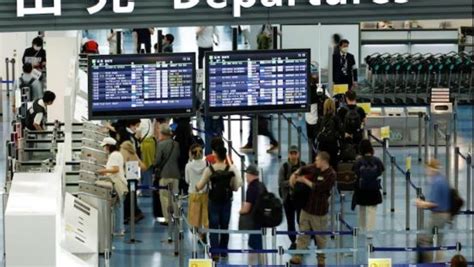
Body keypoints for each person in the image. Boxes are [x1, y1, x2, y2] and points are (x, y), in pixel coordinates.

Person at [289, 152, 336, 266]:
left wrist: (304, 180)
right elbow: (304, 168)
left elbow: (319, 188)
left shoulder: (331, 174)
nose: (315, 162)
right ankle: (298, 256)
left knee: (320, 237)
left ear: (323, 161)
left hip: (319, 212)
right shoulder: (315, 167)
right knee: (303, 234)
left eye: (317, 160)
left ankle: (321, 259)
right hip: (307, 208)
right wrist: (296, 174)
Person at [196, 145, 242, 262]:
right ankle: (224, 250)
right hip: (226, 201)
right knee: (225, 226)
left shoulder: (210, 170)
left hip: (213, 201)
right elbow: (236, 187)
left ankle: (215, 252)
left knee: (213, 226)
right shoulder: (230, 170)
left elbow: (199, 186)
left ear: (215, 155)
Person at [416, 159, 451, 263]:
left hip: (438, 216)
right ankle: (440, 263)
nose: (426, 171)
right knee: (439, 241)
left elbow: (434, 203)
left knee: (425, 240)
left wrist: (421, 203)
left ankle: (427, 263)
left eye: (427, 168)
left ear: (431, 168)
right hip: (445, 214)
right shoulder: (443, 179)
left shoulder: (436, 182)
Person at [352, 140, 384, 237]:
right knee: (372, 210)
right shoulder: (377, 160)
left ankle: (362, 229)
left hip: (361, 189)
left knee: (362, 209)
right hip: (373, 189)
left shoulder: (358, 161)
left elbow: (355, 173)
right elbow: (380, 172)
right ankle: (370, 232)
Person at [97, 137, 128, 236]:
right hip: (118, 182)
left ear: (109, 146)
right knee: (118, 207)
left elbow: (115, 169)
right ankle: (119, 229)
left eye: (105, 146)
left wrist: (102, 171)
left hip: (117, 183)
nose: (104, 148)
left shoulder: (114, 155)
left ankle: (118, 230)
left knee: (118, 207)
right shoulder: (116, 154)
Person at [278, 145, 306, 250]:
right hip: (288, 199)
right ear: (288, 155)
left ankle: (302, 241)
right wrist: (291, 181)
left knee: (301, 221)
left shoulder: (303, 166)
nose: (293, 156)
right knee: (290, 221)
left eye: (295, 153)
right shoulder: (284, 167)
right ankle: (293, 241)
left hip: (300, 199)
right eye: (291, 153)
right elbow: (280, 183)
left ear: (298, 154)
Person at [239, 165, 265, 265]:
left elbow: (246, 208)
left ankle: (255, 265)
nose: (246, 177)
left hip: (254, 222)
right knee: (256, 246)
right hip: (261, 220)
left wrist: (240, 211)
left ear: (250, 175)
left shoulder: (251, 188)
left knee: (255, 246)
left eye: (247, 174)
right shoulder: (261, 185)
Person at [155, 125, 181, 226]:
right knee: (175, 196)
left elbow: (157, 161)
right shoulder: (177, 144)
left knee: (165, 198)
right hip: (176, 174)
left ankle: (168, 219)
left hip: (165, 174)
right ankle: (176, 216)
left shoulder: (160, 145)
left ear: (163, 134)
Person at [185, 143, 208, 241]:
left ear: (191, 154)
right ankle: (204, 234)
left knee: (194, 217)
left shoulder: (188, 166)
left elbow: (187, 180)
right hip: (205, 193)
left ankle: (198, 233)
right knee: (205, 216)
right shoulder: (207, 164)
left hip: (193, 193)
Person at [121, 141, 146, 224]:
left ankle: (127, 215)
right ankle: (135, 213)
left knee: (127, 198)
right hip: (133, 178)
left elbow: (121, 164)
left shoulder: (122, 151)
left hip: (126, 178)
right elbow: (143, 167)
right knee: (132, 197)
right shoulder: (134, 153)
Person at [337, 90, 366, 156]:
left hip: (345, 137)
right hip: (357, 136)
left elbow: (338, 124)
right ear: (355, 98)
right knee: (358, 154)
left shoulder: (341, 110)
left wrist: (344, 133)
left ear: (346, 98)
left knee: (345, 154)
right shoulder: (360, 110)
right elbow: (364, 122)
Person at [316, 98, 341, 168]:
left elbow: (316, 133)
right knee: (333, 166)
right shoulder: (336, 118)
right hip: (333, 145)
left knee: (322, 166)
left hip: (322, 145)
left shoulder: (320, 119)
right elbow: (341, 132)